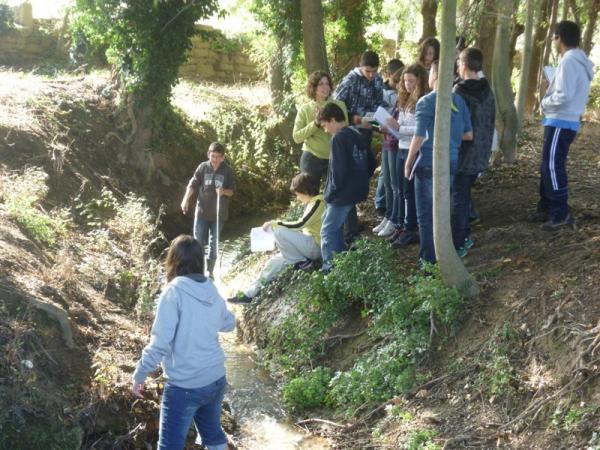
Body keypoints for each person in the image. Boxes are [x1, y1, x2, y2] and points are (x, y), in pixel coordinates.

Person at [132, 235, 235, 450]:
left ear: (173, 261)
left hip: (185, 384)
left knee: (170, 446)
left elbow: (160, 343)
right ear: (200, 261)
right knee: (213, 434)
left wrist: (139, 375)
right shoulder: (211, 288)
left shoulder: (173, 292)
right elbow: (228, 324)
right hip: (215, 378)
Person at [404, 61, 473, 265]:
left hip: (427, 161)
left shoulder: (426, 101)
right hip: (451, 160)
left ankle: (428, 261)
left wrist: (408, 162)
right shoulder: (459, 101)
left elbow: (419, 135)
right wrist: (450, 138)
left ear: (435, 77)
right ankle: (442, 255)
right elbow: (468, 134)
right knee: (442, 210)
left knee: (426, 214)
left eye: (432, 73)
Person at [529, 20, 594, 231]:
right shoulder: (576, 60)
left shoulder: (569, 60)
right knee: (547, 164)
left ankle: (560, 213)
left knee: (552, 165)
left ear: (559, 38)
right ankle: (546, 207)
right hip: (562, 120)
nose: (553, 42)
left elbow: (564, 95)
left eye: (554, 38)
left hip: (561, 120)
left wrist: (544, 102)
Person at [228, 173, 325, 304]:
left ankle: (301, 262)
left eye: (297, 193)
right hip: (306, 245)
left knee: (278, 231)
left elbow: (300, 224)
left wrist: (275, 223)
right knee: (272, 264)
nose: (297, 197)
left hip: (315, 247)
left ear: (305, 191)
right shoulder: (313, 202)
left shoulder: (319, 202)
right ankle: (248, 295)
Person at [317, 102, 376, 273]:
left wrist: (331, 193)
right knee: (331, 224)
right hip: (357, 189)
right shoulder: (357, 132)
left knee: (327, 230)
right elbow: (371, 161)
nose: (326, 130)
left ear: (333, 120)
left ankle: (330, 268)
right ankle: (341, 259)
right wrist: (362, 179)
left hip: (342, 193)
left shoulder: (339, 138)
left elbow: (338, 171)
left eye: (325, 125)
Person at [334, 50, 384, 242]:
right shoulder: (350, 80)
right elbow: (337, 105)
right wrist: (351, 117)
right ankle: (349, 227)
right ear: (361, 67)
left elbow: (379, 104)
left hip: (367, 129)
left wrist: (377, 121)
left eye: (374, 71)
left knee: (364, 169)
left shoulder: (378, 80)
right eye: (367, 71)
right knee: (349, 173)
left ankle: (353, 222)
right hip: (349, 131)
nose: (370, 75)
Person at [452, 48, 496, 257]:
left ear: (465, 65)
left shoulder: (459, 92)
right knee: (464, 196)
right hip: (481, 153)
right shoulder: (487, 89)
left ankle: (458, 243)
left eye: (459, 61)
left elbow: (456, 127)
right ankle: (465, 236)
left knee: (459, 199)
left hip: (462, 154)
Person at [385, 63, 431, 249]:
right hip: (401, 147)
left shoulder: (423, 100)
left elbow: (422, 132)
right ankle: (404, 225)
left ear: (420, 81)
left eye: (411, 81)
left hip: (415, 150)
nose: (407, 85)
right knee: (403, 189)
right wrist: (392, 127)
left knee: (411, 191)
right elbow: (403, 126)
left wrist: (399, 128)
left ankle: (411, 228)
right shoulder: (403, 99)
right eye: (404, 81)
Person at [181, 142, 235, 279]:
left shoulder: (228, 171)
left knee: (214, 244)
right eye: (212, 156)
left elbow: (232, 192)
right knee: (197, 243)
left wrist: (223, 191)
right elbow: (192, 185)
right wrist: (185, 200)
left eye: (218, 157)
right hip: (201, 212)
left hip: (219, 215)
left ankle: (210, 273)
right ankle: (198, 272)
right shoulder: (202, 167)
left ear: (223, 157)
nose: (215, 159)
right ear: (208, 155)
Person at [293, 71, 348, 186]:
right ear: (313, 88)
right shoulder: (305, 109)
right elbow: (297, 137)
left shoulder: (340, 105)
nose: (325, 87)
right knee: (311, 196)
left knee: (335, 196)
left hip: (335, 157)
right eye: (321, 84)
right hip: (311, 158)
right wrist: (316, 123)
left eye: (327, 84)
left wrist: (327, 120)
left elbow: (344, 133)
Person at [373, 59, 405, 237]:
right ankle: (389, 215)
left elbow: (402, 125)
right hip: (387, 142)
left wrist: (391, 126)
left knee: (396, 185)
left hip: (396, 144)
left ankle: (396, 219)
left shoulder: (407, 102)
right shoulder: (397, 100)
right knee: (388, 183)